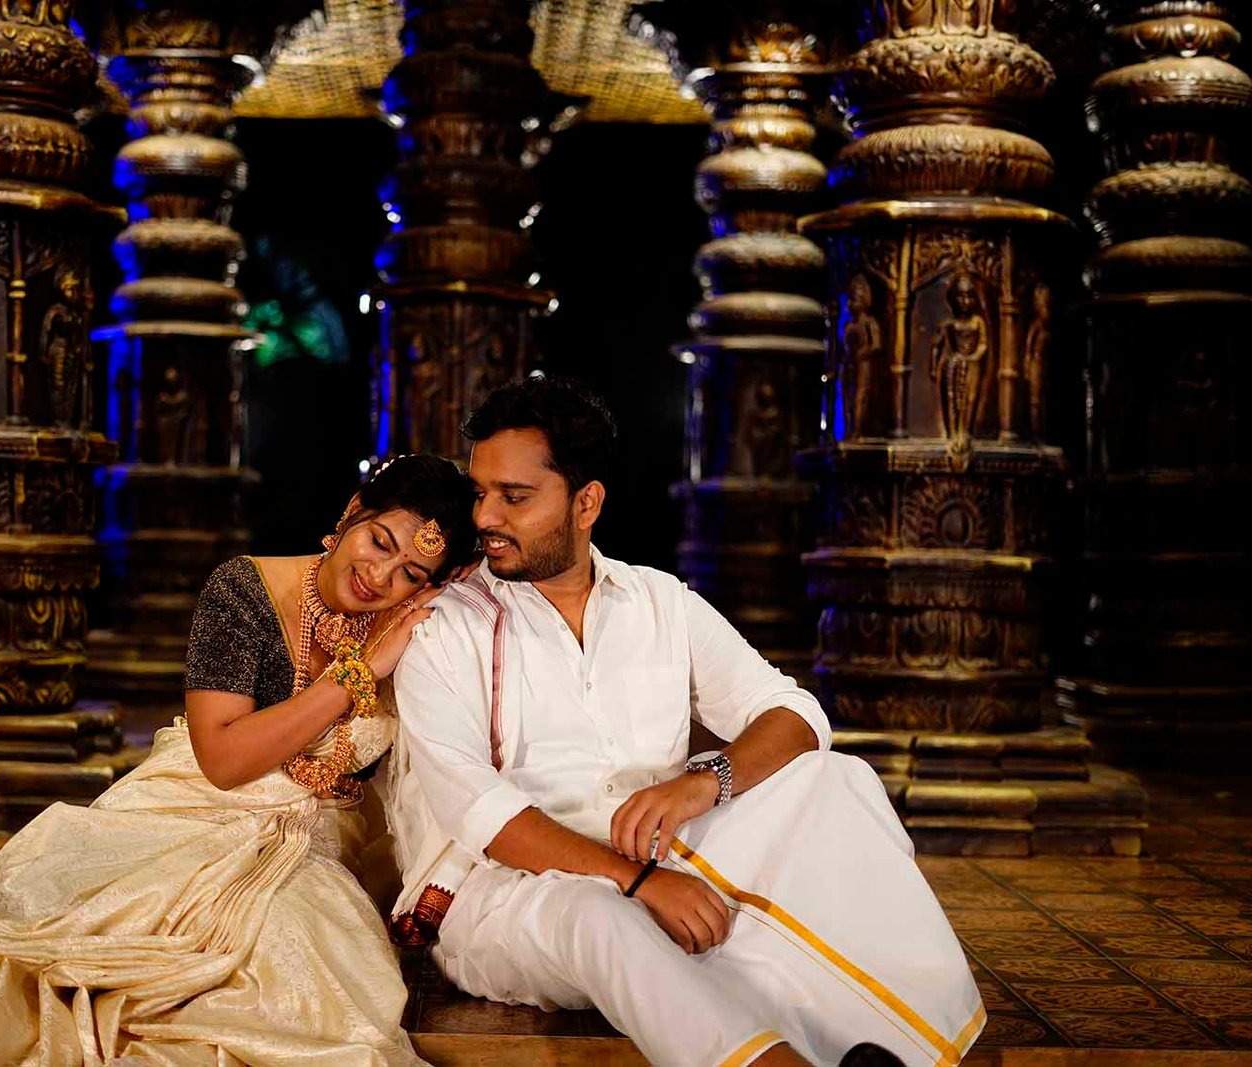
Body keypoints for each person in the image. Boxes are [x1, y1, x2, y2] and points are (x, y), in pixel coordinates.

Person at [0, 454, 481, 1067]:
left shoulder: (417, 629)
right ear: (350, 515)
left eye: (411, 573)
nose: (381, 575)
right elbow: (224, 756)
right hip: (196, 813)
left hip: (317, 847)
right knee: (84, 962)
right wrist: (355, 676)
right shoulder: (243, 590)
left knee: (315, 979)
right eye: (379, 541)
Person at [386, 377, 983, 1067]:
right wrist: (639, 882)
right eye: (479, 490)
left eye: (514, 497)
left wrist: (705, 783)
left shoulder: (658, 601)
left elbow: (795, 712)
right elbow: (478, 810)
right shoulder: (444, 623)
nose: (485, 515)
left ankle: (905, 1037)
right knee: (600, 917)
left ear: (587, 503)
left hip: (660, 850)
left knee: (836, 777)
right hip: (503, 892)